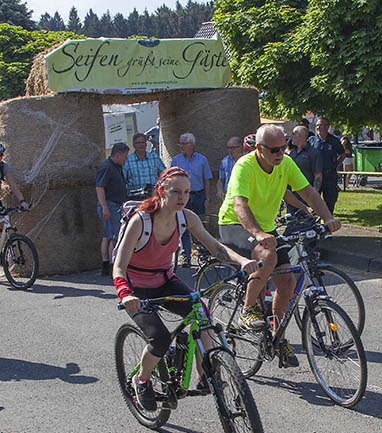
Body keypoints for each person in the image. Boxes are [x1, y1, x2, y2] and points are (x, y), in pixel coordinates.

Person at [113, 166, 258, 411]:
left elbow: (216, 248)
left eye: (187, 192)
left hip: (164, 280)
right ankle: (142, 380)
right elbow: (118, 267)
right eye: (176, 192)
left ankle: (206, 374)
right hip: (136, 287)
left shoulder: (186, 217)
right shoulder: (141, 221)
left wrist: (242, 261)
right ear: (161, 191)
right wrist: (126, 294)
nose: (182, 197)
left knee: (202, 314)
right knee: (158, 338)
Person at [218, 124, 341, 367]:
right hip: (235, 224)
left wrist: (328, 217)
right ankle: (247, 310)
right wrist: (257, 232)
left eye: (283, 147)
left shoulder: (284, 163)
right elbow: (240, 205)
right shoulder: (245, 166)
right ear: (259, 149)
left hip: (265, 228)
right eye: (274, 149)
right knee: (269, 256)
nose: (280, 153)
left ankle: (278, 338)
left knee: (287, 281)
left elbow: (308, 192)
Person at [170, 133, 213, 267]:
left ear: (192, 145)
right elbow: (171, 179)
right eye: (180, 144)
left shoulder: (202, 159)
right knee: (183, 226)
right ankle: (186, 256)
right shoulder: (176, 160)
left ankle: (202, 254)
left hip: (199, 195)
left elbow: (207, 179)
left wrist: (207, 197)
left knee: (200, 224)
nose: (181, 146)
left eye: (184, 143)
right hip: (182, 196)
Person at [96, 142, 130, 276]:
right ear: (118, 155)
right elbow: (100, 187)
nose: (126, 158)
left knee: (108, 236)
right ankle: (112, 265)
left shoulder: (116, 166)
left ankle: (106, 264)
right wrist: (105, 207)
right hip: (110, 205)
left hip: (114, 205)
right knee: (114, 237)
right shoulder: (107, 167)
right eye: (125, 156)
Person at [309, 116, 345, 214]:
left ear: (327, 126)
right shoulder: (312, 140)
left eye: (321, 125)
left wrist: (336, 165)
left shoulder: (334, 141)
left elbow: (342, 154)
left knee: (330, 201)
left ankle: (328, 225)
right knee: (314, 201)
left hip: (329, 176)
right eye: (317, 125)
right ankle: (314, 223)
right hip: (316, 175)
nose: (318, 127)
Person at [287, 125, 323, 214]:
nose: (291, 136)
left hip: (306, 195)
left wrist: (314, 195)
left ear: (302, 136)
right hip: (292, 196)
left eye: (294, 134)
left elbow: (318, 175)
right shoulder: (292, 152)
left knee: (305, 224)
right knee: (291, 222)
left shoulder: (313, 153)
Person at [124, 133, 166, 199]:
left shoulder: (154, 157)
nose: (141, 145)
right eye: (138, 143)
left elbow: (164, 175)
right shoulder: (127, 160)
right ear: (133, 145)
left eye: (142, 142)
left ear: (146, 144)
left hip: (154, 196)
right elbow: (123, 180)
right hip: (135, 197)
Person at [0, 143, 31, 210]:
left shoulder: (3, 166)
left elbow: (13, 185)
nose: (0, 157)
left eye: (1, 155)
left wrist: (22, 201)